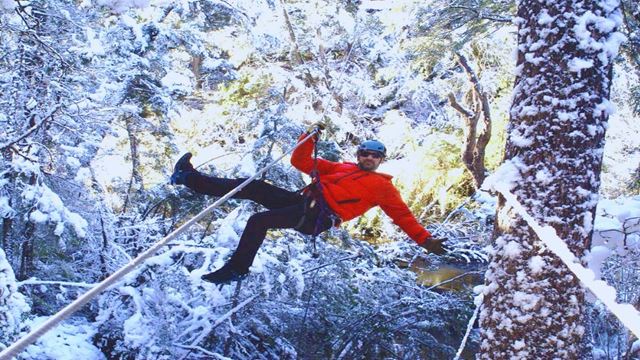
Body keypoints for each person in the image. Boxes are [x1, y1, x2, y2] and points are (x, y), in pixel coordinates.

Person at [170, 126, 447, 284]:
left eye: (375, 156)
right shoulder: (341, 168)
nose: (369, 158)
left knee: (259, 221)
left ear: (381, 160)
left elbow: (403, 216)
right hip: (303, 202)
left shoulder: (383, 188)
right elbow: (300, 162)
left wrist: (426, 241)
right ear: (358, 154)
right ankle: (188, 178)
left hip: (318, 216)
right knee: (253, 187)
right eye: (365, 153)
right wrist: (309, 138)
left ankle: (236, 270)